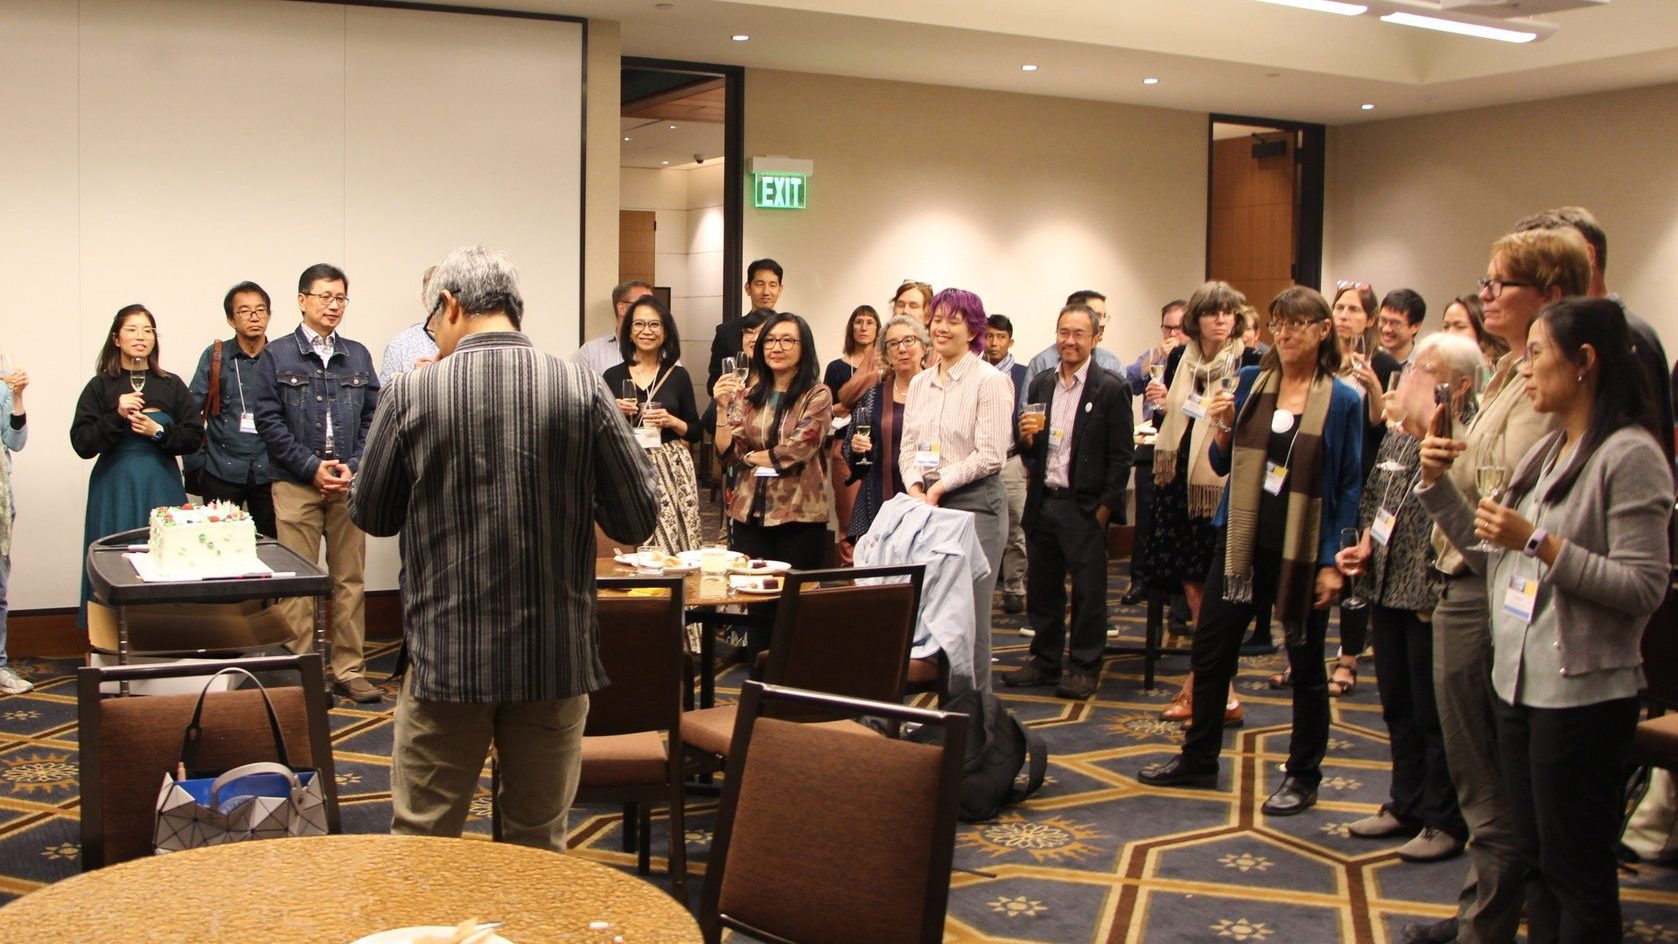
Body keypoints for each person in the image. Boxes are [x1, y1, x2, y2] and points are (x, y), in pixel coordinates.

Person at [350, 245, 659, 851]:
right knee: (537, 845)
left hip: (447, 657)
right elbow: (636, 516)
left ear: (450, 305)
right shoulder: (580, 386)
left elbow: (373, 514)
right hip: (553, 656)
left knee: (424, 843)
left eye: (433, 319)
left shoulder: (412, 392)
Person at [1416, 297, 1671, 942]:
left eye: (1536, 354)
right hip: (1519, 685)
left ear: (1584, 361)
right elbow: (1494, 559)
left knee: (1576, 872)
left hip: (1582, 694)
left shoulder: (1629, 454)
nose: (1524, 368)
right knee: (1533, 863)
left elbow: (1643, 586)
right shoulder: (1551, 449)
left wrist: (1539, 542)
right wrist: (1438, 486)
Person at [1398, 227, 1590, 944]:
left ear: (1551, 294)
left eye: (1500, 282)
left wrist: (1447, 477)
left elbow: (1513, 509)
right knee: (1481, 776)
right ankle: (1483, 912)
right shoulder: (1507, 371)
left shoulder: (1548, 389)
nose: (1485, 294)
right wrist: (1435, 470)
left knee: (1490, 782)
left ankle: (1487, 923)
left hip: (1494, 588)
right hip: (1467, 573)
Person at [1139, 286, 1363, 819]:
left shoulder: (1343, 400)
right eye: (1279, 323)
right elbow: (1222, 464)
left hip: (1302, 547)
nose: (1286, 334)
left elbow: (1349, 486)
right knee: (1212, 649)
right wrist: (1220, 427)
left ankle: (1303, 775)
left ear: (1323, 331)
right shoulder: (1250, 381)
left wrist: (1333, 562)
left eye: (1298, 324)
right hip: (1241, 539)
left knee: (1305, 663)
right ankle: (1199, 758)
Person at [1336, 333, 1481, 865]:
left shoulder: (1464, 442)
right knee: (1397, 705)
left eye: (1423, 369)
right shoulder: (1400, 437)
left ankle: (1444, 818)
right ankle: (1406, 803)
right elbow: (1377, 498)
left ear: (1456, 386)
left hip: (1432, 593)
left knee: (1433, 713)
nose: (1409, 376)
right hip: (1387, 584)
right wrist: (1363, 545)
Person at [253, 264, 382, 704]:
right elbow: (268, 422)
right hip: (295, 483)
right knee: (298, 582)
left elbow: (373, 417)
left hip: (347, 483)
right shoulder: (277, 354)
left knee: (350, 580)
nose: (333, 305)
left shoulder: (357, 355)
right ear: (302, 300)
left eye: (340, 298)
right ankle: (302, 672)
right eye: (325, 296)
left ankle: (350, 669)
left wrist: (353, 465)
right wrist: (311, 467)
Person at [1000, 303, 1133, 698]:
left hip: (1084, 507)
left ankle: (1084, 666)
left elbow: (1121, 456)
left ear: (1096, 338)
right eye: (1063, 332)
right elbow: (1033, 449)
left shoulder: (1110, 388)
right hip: (1044, 500)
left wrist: (1104, 509)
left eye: (1078, 334)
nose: (1069, 341)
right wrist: (1027, 439)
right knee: (1043, 589)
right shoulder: (1042, 384)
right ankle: (1044, 661)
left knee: (1089, 593)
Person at [1139, 282, 1259, 723]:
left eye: (1228, 312)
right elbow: (1174, 417)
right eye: (1212, 312)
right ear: (1197, 319)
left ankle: (1205, 686)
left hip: (1220, 485)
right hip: (1178, 482)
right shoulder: (1179, 359)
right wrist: (1160, 406)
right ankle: (1216, 688)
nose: (1221, 319)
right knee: (1192, 587)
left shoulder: (1249, 362)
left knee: (1215, 593)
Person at [899, 288, 1013, 693]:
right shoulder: (920, 383)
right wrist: (916, 486)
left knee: (968, 621)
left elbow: (991, 455)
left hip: (976, 504)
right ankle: (941, 716)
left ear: (974, 330)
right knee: (930, 617)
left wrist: (941, 486)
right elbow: (908, 448)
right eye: (938, 319)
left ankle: (973, 718)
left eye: (954, 321)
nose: (942, 328)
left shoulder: (990, 381)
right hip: (928, 504)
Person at [1515, 205, 1675, 476]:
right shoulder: (1549, 449)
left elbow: (1646, 459)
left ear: (1587, 256)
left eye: (1543, 263)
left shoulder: (1629, 336)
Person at [71, 306, 203, 626]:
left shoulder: (171, 384)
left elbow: (194, 436)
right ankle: (108, 633)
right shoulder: (100, 386)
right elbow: (82, 443)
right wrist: (116, 416)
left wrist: (158, 431)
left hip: (161, 482)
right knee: (114, 556)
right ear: (116, 338)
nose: (140, 337)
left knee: (165, 555)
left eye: (147, 330)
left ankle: (166, 632)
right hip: (114, 484)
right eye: (131, 329)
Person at [712, 311, 831, 648]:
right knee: (757, 607)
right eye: (771, 341)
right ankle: (757, 673)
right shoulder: (749, 395)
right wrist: (721, 408)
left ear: (804, 347)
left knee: (795, 608)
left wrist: (750, 457)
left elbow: (798, 449)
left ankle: (794, 676)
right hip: (750, 513)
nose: (777, 347)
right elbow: (728, 453)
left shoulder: (817, 394)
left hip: (799, 515)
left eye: (787, 340)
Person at [1324, 280, 1401, 698]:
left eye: (1354, 310)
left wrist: (1373, 387)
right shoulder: (1322, 358)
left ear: (1369, 319)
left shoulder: (1381, 362)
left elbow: (1382, 427)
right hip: (1324, 473)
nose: (1344, 315)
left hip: (1363, 472)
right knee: (1317, 565)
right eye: (1340, 307)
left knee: (1354, 570)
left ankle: (1348, 659)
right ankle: (1302, 656)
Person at [603, 295, 702, 557]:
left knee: (671, 541)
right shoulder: (612, 375)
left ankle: (674, 582)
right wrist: (613, 411)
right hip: (627, 463)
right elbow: (598, 429)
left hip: (670, 466)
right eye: (639, 324)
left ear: (665, 332)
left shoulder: (678, 375)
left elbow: (696, 430)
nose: (646, 331)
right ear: (629, 331)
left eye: (654, 325)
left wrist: (672, 421)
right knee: (630, 536)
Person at [187, 281, 277, 538]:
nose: (254, 317)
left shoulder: (280, 356)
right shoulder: (216, 355)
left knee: (271, 547)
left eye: (260, 310)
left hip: (270, 470)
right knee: (219, 545)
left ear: (269, 315)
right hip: (220, 469)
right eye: (244, 311)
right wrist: (198, 466)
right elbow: (191, 412)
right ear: (230, 319)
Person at [1120, 300, 1188, 606]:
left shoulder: (1195, 361)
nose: (1172, 334)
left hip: (1181, 447)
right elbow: (1125, 383)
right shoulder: (1153, 356)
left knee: (1175, 521)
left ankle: (1175, 592)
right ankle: (1139, 580)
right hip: (1150, 445)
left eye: (1179, 328)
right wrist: (1152, 361)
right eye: (1167, 327)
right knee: (1145, 517)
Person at [842, 316, 929, 541]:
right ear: (886, 355)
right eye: (893, 344)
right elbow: (851, 449)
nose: (902, 349)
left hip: (929, 496)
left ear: (924, 346)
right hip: (880, 496)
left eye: (909, 340)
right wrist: (858, 448)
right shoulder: (874, 396)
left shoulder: (940, 392)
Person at [823, 305, 880, 566]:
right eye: (859, 321)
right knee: (848, 516)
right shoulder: (837, 367)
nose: (864, 327)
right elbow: (826, 409)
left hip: (878, 446)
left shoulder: (886, 367)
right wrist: (845, 404)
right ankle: (849, 572)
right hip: (843, 445)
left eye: (870, 322)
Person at [984, 314, 1030, 613]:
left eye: (1000, 337)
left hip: (1011, 459)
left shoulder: (1023, 374)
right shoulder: (973, 370)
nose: (994, 343)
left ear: (1010, 341)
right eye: (989, 336)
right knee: (981, 528)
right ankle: (981, 589)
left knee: (1016, 528)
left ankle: (1015, 587)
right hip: (979, 463)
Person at [707, 260, 783, 392]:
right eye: (760, 284)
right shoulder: (726, 332)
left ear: (780, 289)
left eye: (772, 285)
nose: (766, 291)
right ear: (748, 288)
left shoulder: (788, 330)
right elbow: (713, 383)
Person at [0, 359, 30, 694]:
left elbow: (15, 440)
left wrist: (17, 397)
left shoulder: (2, 384)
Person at [1026, 290, 1125, 380]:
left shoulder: (1113, 364)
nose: (1103, 324)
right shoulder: (1042, 363)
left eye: (1104, 316)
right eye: (1096, 316)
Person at [575, 279, 652, 377]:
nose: (652, 310)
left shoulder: (663, 353)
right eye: (644, 304)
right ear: (622, 308)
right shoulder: (590, 353)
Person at [379, 267, 443, 384]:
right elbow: (384, 393)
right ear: (424, 299)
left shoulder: (469, 340)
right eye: (435, 295)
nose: (442, 303)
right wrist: (413, 380)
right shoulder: (400, 345)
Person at [1438, 293, 1508, 383]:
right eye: (1446, 326)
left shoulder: (1499, 372)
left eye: (1460, 326)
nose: (1450, 333)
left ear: (1482, 331)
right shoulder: (1440, 370)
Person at [1377, 288, 1426, 367]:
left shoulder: (1424, 364)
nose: (1386, 329)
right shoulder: (1370, 358)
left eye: (1395, 323)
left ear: (1415, 327)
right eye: (1383, 320)